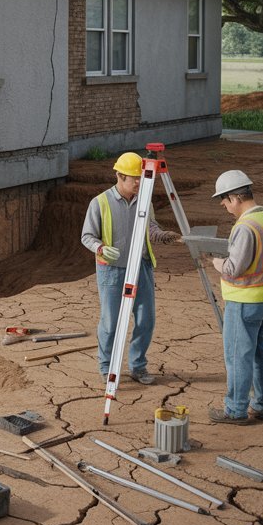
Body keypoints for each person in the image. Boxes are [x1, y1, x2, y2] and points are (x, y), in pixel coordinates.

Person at [81, 152, 180, 385]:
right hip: (112, 270)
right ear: (119, 176)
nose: (138, 182)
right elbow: (86, 236)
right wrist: (100, 248)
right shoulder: (100, 202)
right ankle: (107, 367)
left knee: (146, 319)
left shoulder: (144, 201)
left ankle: (138, 366)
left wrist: (163, 235)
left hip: (141, 268)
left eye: (142, 178)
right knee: (111, 321)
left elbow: (151, 228)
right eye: (134, 178)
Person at [208, 170, 263, 425]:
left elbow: (233, 268)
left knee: (237, 355)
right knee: (260, 352)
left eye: (224, 199)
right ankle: (261, 405)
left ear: (235, 197)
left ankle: (235, 410)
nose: (223, 204)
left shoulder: (245, 226)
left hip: (246, 300)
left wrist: (215, 260)